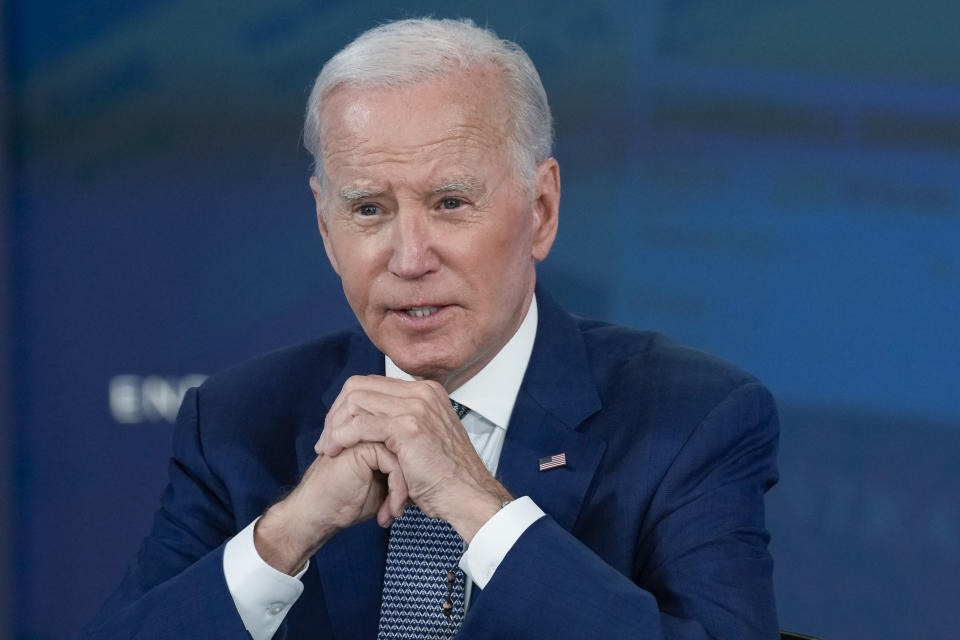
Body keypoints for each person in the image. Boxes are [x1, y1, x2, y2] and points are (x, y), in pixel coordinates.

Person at [81, 17, 780, 640]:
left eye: (450, 203)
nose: (410, 259)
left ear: (540, 210)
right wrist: (288, 532)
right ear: (326, 229)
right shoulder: (238, 424)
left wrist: (481, 510)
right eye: (368, 210)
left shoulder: (690, 420)